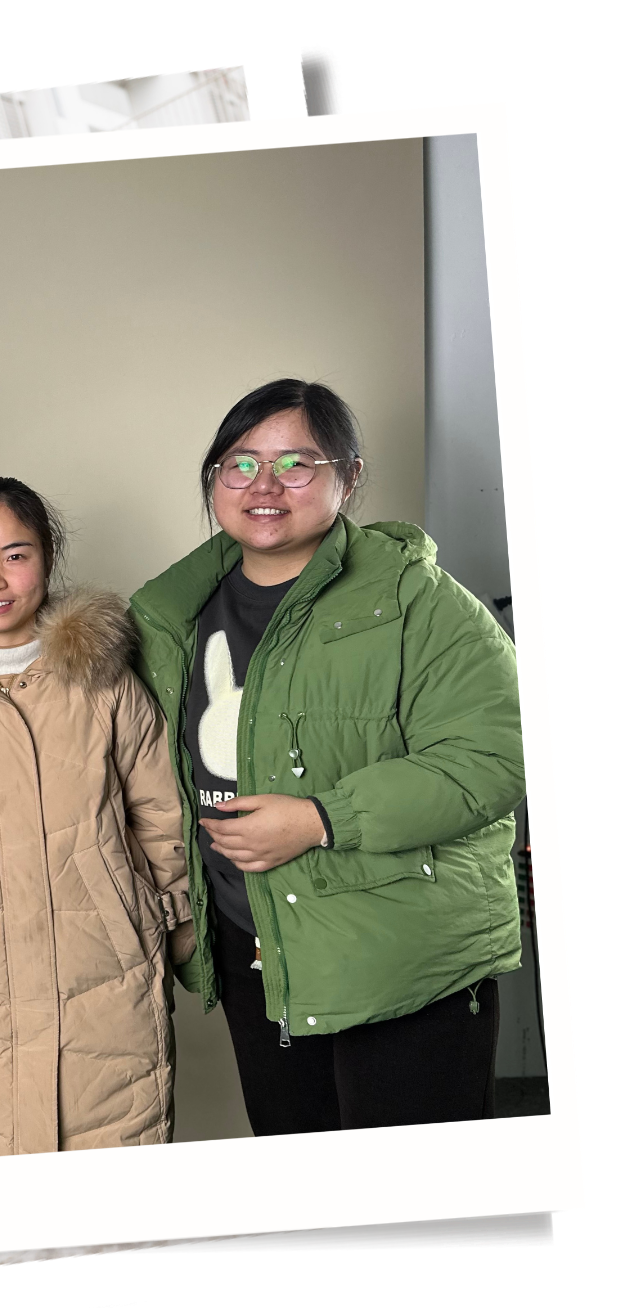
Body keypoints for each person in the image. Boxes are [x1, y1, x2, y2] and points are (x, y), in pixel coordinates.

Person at [129, 378, 525, 1134]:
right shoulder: (170, 618)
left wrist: (322, 819)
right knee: (308, 1203)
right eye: (240, 464)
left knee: (423, 1215)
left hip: (406, 958)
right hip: (259, 950)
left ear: (350, 476)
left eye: (297, 463)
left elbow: (496, 756)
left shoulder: (418, 600)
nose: (265, 486)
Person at [0, 478, 193, 1160]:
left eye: (14, 555)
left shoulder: (105, 682)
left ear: (47, 560)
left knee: (113, 1205)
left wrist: (149, 914)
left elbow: (161, 815)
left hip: (102, 974)